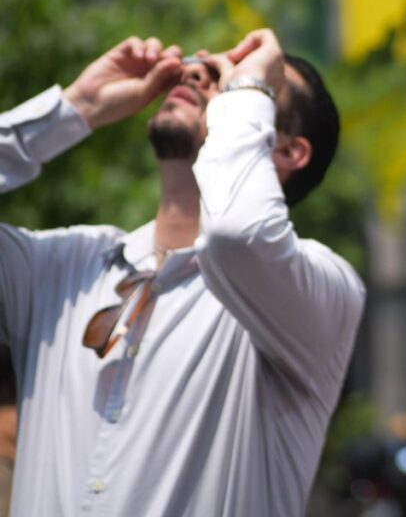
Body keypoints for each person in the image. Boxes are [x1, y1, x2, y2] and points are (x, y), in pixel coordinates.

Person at [0, 29, 365, 515]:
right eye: (203, 66)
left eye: (227, 79)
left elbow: (237, 234)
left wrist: (245, 89)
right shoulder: (59, 267)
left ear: (286, 151)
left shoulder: (318, 289)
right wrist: (74, 110)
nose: (195, 71)